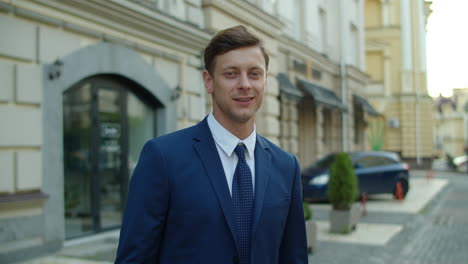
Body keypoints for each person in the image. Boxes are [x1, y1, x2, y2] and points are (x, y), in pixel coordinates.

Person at [115, 25, 308, 264]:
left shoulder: (286, 166)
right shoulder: (163, 158)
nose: (245, 84)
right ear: (209, 81)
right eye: (231, 73)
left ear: (265, 81)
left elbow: (294, 257)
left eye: (255, 73)